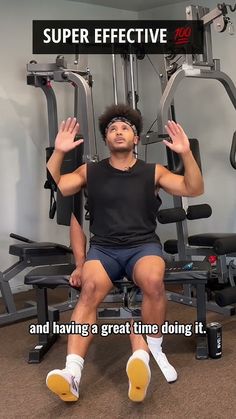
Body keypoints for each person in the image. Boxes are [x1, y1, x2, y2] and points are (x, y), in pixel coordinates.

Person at [46, 104, 204, 403]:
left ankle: (153, 349)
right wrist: (59, 152)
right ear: (107, 139)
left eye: (125, 128)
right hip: (104, 249)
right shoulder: (88, 171)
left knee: (154, 281)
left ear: (135, 139)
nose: (118, 132)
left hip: (142, 246)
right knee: (89, 291)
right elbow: (59, 187)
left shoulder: (153, 171)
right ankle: (72, 373)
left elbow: (193, 189)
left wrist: (185, 153)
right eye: (112, 129)